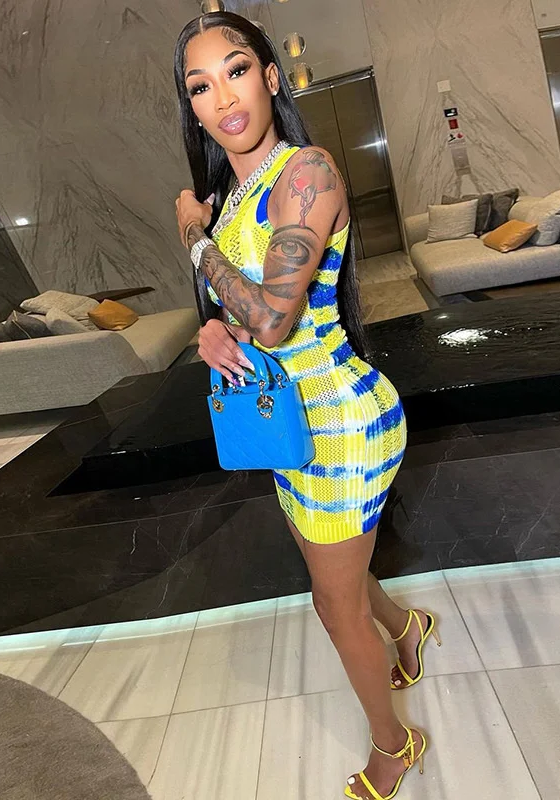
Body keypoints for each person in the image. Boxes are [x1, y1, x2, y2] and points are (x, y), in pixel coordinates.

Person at [173, 12, 440, 799]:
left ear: (270, 77)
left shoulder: (307, 173)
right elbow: (246, 318)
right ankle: (407, 628)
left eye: (236, 70)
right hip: (288, 424)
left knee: (331, 604)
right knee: (340, 582)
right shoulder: (233, 196)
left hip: (345, 420)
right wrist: (212, 332)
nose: (224, 97)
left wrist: (195, 241)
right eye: (201, 85)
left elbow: (274, 318)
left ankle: (395, 745)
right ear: (192, 106)